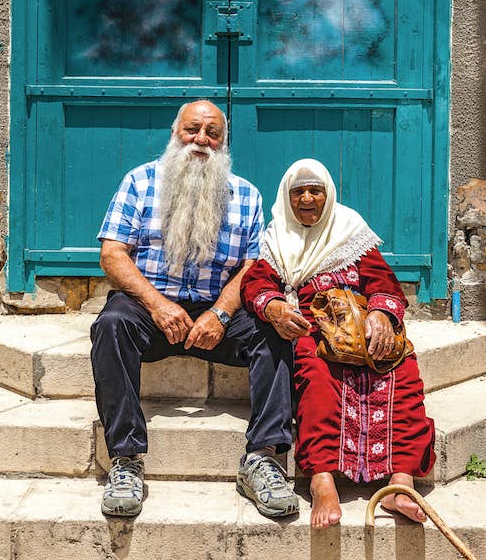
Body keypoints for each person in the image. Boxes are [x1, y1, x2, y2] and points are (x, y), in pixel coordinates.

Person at [90, 100, 299, 519]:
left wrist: (221, 313)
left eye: (212, 133)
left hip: (216, 310)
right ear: (175, 133)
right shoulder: (140, 182)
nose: (201, 139)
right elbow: (113, 255)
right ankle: (126, 460)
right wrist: (158, 305)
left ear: (223, 142)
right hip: (150, 307)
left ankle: (263, 457)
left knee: (274, 331)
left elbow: (251, 267)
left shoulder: (245, 194)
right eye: (192, 129)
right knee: (110, 325)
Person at [241, 158, 435, 529]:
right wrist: (277, 306)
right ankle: (322, 480)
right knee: (315, 380)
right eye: (299, 192)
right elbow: (256, 285)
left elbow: (385, 284)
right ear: (288, 197)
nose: (308, 198)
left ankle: (400, 483)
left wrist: (381, 314)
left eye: (316, 191)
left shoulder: (351, 232)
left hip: (363, 327)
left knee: (404, 374)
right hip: (314, 330)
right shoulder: (276, 239)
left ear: (329, 195)